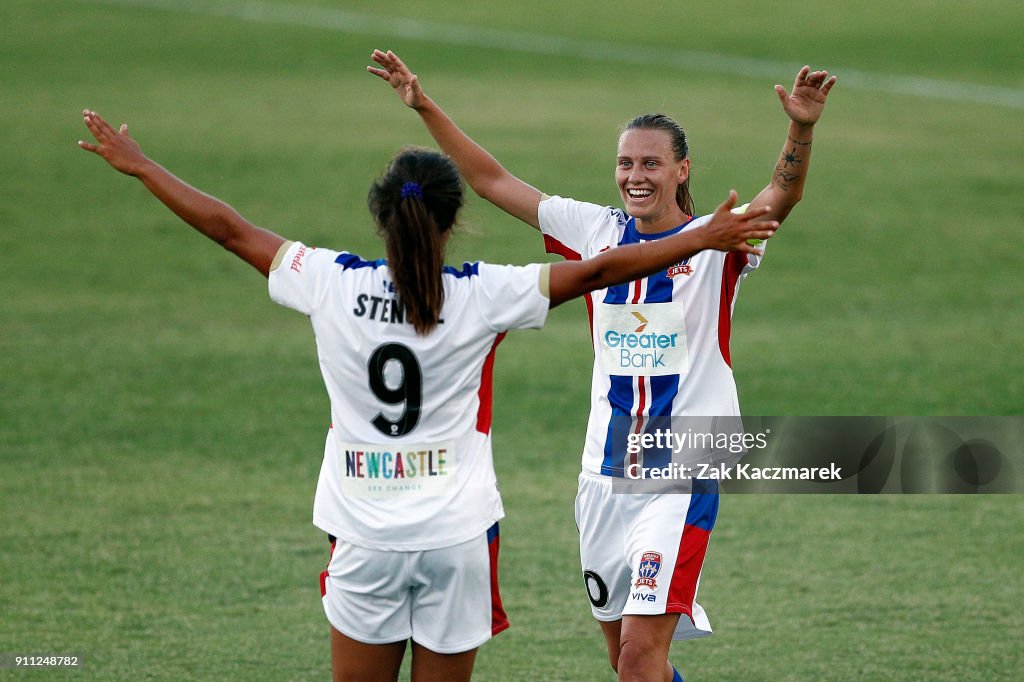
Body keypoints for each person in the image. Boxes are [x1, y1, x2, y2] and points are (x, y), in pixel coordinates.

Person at [78, 108, 776, 681]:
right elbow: (601, 273)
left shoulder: (331, 282)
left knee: (634, 656)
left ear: (383, 216)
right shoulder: (481, 294)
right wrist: (703, 236)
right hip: (456, 539)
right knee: (625, 655)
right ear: (452, 220)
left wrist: (143, 167)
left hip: (362, 535)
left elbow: (229, 229)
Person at [368, 49, 836, 681]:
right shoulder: (593, 230)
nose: (635, 174)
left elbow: (782, 194)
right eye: (625, 162)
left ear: (681, 170)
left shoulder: (717, 239)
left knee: (640, 663)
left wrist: (799, 128)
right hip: (603, 472)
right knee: (626, 662)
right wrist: (423, 104)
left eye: (651, 162)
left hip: (685, 465)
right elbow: (492, 182)